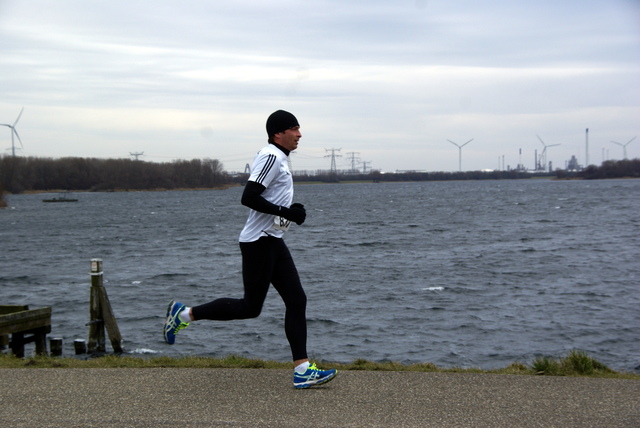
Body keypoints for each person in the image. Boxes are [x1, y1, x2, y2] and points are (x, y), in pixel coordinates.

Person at [163, 110, 337, 389]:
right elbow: (249, 196)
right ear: (278, 133)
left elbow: (269, 199)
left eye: (299, 128)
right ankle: (183, 314)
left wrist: (292, 211)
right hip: (259, 243)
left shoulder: (278, 157)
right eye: (294, 128)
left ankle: (302, 370)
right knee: (250, 307)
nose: (300, 134)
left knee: (297, 300)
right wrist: (285, 212)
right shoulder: (271, 156)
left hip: (272, 240)